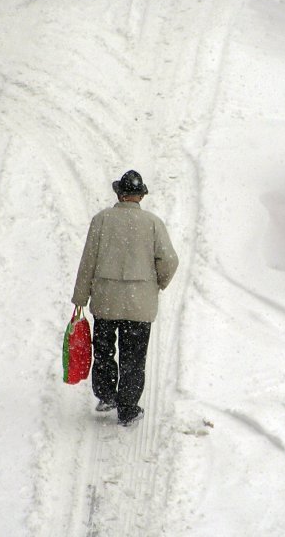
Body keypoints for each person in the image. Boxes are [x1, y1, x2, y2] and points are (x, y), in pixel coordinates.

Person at [71, 170, 179, 426]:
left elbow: (89, 262)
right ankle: (128, 408)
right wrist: (156, 284)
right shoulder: (153, 223)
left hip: (106, 301)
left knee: (104, 352)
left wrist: (80, 297)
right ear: (140, 196)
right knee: (133, 357)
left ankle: (107, 395)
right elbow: (170, 260)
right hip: (139, 304)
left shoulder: (101, 220)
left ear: (119, 194)